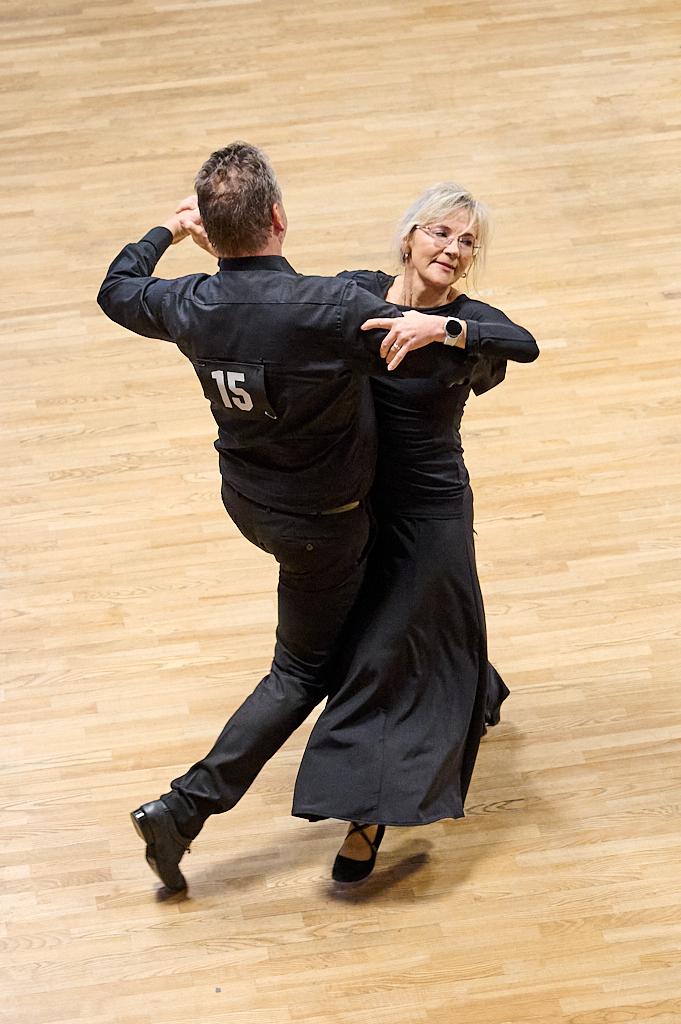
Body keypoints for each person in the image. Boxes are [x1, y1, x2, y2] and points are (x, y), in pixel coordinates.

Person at [97, 143, 470, 893]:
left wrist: (165, 234)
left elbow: (117, 288)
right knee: (305, 668)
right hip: (323, 522)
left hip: (250, 503)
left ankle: (468, 690)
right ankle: (184, 806)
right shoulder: (329, 309)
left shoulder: (189, 303)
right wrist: (462, 331)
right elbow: (431, 351)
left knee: (388, 603)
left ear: (211, 227)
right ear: (277, 217)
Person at [290, 183, 539, 881]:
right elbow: (283, 310)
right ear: (407, 237)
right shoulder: (357, 293)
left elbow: (524, 344)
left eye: (466, 244)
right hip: (357, 503)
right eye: (440, 234)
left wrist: (445, 330)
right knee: (391, 632)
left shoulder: (468, 320)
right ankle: (472, 689)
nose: (452, 251)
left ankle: (365, 813)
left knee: (384, 652)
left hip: (430, 510)